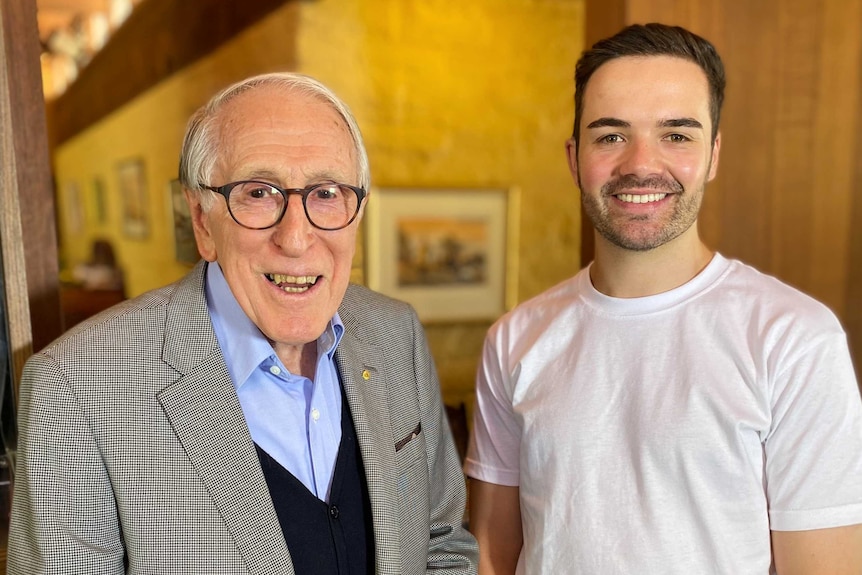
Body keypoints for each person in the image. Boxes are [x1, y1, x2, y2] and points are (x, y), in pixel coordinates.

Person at [9, 72, 478, 574]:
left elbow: (442, 546)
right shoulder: (78, 385)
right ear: (202, 221)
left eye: (326, 193)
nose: (296, 239)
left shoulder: (394, 331)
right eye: (258, 193)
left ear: (356, 211)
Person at [465, 23, 862, 575]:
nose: (641, 164)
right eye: (610, 136)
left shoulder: (794, 339)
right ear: (574, 156)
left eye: (676, 134)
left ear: (714, 154)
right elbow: (492, 554)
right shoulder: (514, 339)